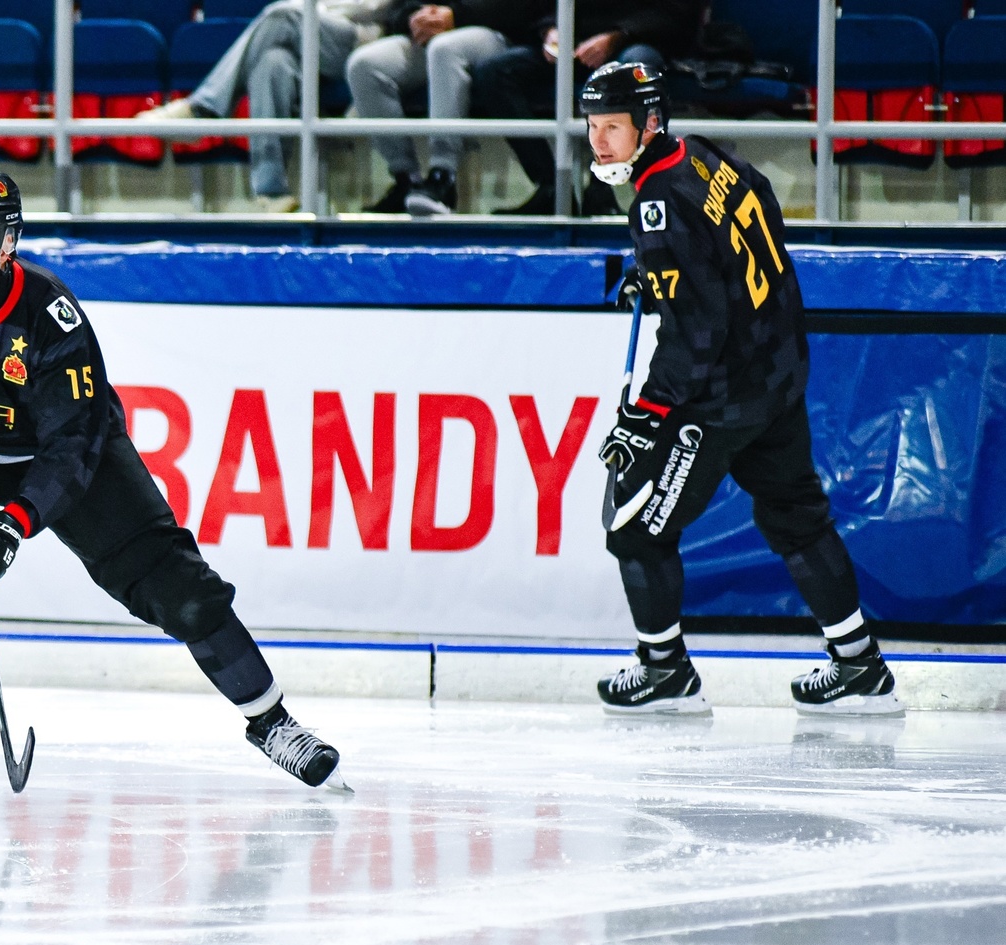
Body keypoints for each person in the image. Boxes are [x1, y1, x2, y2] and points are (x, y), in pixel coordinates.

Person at [0, 166, 348, 794]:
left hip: (65, 454)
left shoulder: (51, 315)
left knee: (180, 589)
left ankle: (273, 723)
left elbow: (73, 442)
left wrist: (13, 523)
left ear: (4, 243)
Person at [585, 62, 901, 717]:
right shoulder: (700, 156)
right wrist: (669, 279)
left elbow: (694, 335)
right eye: (591, 126)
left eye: (611, 127)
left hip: (719, 396)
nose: (598, 142)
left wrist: (645, 414)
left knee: (633, 525)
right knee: (797, 518)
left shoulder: (655, 200)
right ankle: (860, 665)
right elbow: (755, 214)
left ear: (649, 123)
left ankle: (664, 671)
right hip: (776, 375)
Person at [138, 0, 391, 212]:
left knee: (282, 14)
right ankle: (272, 191)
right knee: (271, 63)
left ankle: (202, 109)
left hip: (364, 40)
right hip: (308, 33)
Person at [470, 0, 700, 215]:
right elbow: (538, 7)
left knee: (631, 73)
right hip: (574, 43)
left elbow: (677, 14)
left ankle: (602, 188)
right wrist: (551, 30)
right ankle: (551, 185)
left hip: (637, 39)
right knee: (495, 73)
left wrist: (618, 36)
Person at [345, 1, 538, 215]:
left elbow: (522, 9)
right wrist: (414, 17)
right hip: (430, 35)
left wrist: (456, 16)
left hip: (493, 31)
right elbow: (397, 8)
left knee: (445, 48)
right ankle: (406, 179)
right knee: (364, 65)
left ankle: (443, 176)